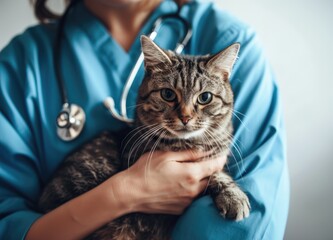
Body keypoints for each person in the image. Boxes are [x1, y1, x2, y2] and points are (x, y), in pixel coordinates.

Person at [0, 0, 290, 239]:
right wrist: (124, 193)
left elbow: (246, 221)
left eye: (202, 99)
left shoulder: (229, 39)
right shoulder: (21, 63)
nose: (186, 115)